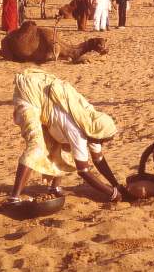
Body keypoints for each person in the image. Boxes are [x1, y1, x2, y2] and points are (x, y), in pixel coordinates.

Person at [7, 68, 124, 204]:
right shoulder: (78, 133)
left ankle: (54, 187)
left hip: (46, 95)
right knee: (36, 146)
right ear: (98, 136)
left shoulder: (92, 125)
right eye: (103, 141)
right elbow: (84, 172)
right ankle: (13, 198)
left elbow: (98, 159)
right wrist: (113, 194)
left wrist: (116, 184)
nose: (101, 144)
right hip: (31, 92)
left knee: (65, 147)